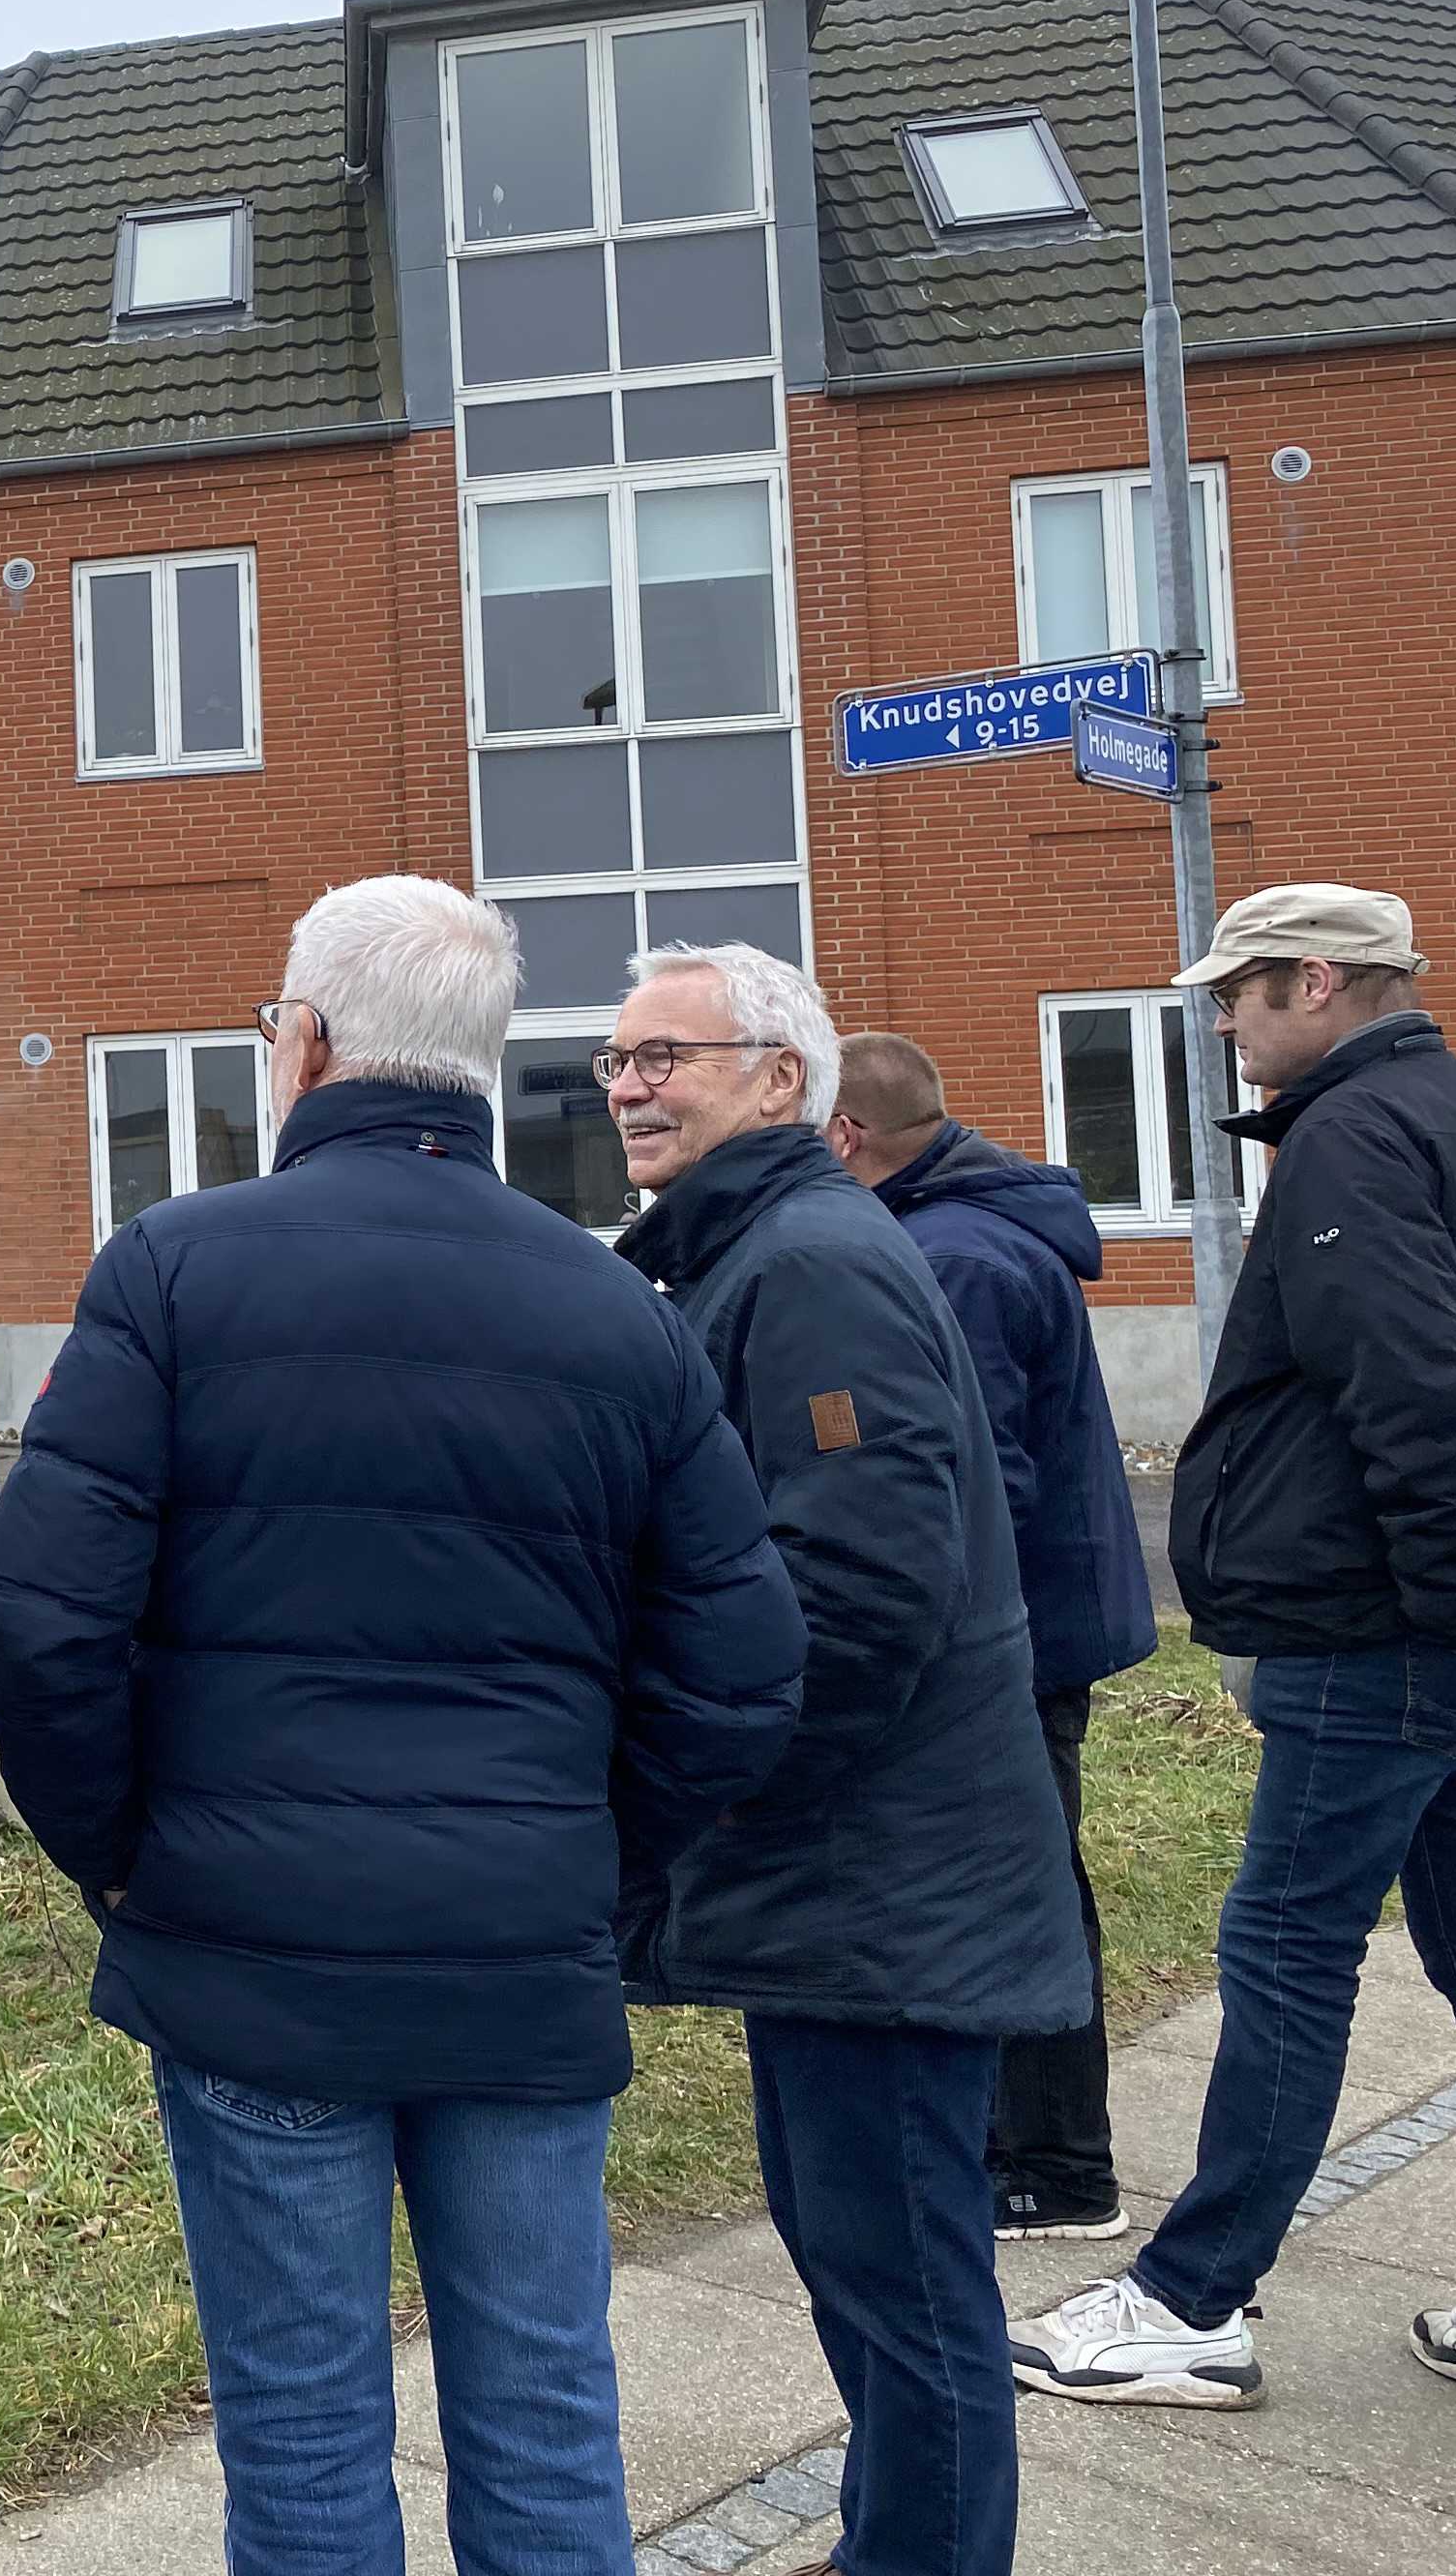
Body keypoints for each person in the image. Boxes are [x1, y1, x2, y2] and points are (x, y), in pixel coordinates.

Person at [0, 878, 806, 2576]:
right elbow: (738, 1667)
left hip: (254, 1950)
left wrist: (124, 1857)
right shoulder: (618, 1309)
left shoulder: (171, 1270)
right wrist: (591, 1856)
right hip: (519, 1945)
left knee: (300, 2430)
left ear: (304, 1041)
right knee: (547, 2411)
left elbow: (49, 1622)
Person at [606, 943, 1089, 2576]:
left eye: (666, 1054)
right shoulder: (768, 1247)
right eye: (617, 1060)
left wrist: (714, 1781)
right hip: (843, 1874)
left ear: (778, 1079)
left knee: (904, 2284)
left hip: (873, 1882)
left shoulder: (809, 1264)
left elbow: (859, 1593)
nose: (629, 1085)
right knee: (861, 2259)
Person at [1012, 885, 1456, 2426]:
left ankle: (1192, 2302)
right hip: (1454, 1632)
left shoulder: (1355, 1135)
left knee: (1290, 1955)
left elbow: (1419, 1385)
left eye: (1235, 990)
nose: (1220, 1019)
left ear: (1317, 980)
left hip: (1386, 1634)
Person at [831, 1033, 1160, 2242]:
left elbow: (978, 1485)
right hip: (1038, 1631)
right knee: (1029, 1883)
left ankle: (1052, 2167)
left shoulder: (952, 1257)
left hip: (1011, 1645)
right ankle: (1026, 2145)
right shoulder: (969, 1228)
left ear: (845, 1137)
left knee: (1022, 1896)